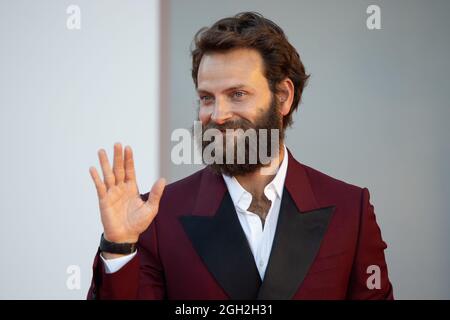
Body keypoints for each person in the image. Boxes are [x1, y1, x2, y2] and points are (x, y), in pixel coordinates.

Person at [87, 12, 393, 300]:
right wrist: (119, 247)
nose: (218, 115)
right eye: (207, 98)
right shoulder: (157, 218)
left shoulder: (350, 210)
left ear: (283, 96)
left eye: (237, 94)